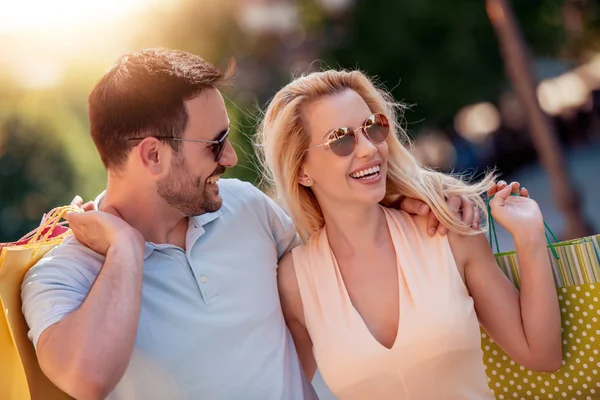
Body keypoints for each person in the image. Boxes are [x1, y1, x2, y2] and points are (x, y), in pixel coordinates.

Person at [21, 49, 480, 400]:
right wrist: (122, 248)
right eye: (215, 143)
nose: (231, 158)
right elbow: (87, 377)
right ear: (152, 155)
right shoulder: (62, 274)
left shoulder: (244, 207)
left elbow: (340, 246)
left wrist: (412, 201)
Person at [255, 69, 563, 399]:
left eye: (373, 128)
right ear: (301, 170)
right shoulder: (294, 282)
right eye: (341, 139)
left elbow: (541, 354)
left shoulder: (446, 230)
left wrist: (529, 238)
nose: (368, 149)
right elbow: (281, 391)